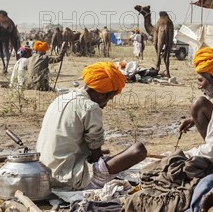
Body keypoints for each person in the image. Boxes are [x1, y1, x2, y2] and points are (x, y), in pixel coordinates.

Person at [36, 61, 147, 190]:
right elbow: (96, 158)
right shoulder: (90, 107)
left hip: (44, 173)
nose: (105, 105)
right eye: (108, 99)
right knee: (138, 150)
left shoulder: (61, 99)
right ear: (101, 95)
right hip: (67, 178)